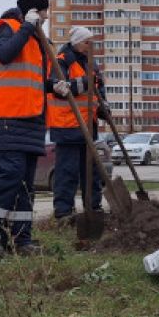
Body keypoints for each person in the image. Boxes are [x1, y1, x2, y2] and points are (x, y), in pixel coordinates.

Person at [0, 0, 55, 258]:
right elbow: (4, 54)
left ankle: (21, 238)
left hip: (31, 118)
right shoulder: (4, 28)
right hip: (6, 114)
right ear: (31, 11)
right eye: (43, 12)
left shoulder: (36, 40)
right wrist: (27, 28)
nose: (45, 18)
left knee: (25, 181)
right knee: (10, 173)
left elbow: (33, 80)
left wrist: (56, 86)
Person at [48, 26, 109, 223]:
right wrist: (85, 82)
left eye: (92, 42)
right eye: (87, 42)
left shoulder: (91, 64)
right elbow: (59, 88)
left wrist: (103, 107)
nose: (90, 46)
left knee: (91, 171)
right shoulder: (62, 60)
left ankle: (94, 207)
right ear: (77, 43)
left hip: (88, 126)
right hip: (67, 125)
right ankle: (64, 213)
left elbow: (100, 88)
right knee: (67, 172)